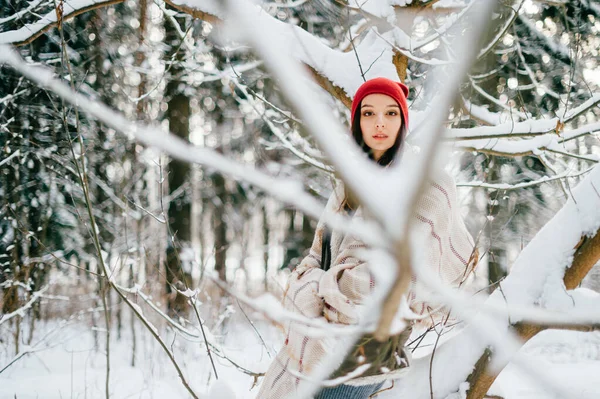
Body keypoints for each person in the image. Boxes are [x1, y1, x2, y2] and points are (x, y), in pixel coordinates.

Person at [256, 77, 477, 399]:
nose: (379, 124)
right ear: (357, 121)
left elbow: (385, 278)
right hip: (321, 335)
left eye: (391, 114)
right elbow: (315, 257)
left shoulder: (427, 186)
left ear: (403, 121)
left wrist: (322, 285)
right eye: (368, 114)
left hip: (370, 346)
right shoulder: (347, 186)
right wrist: (316, 284)